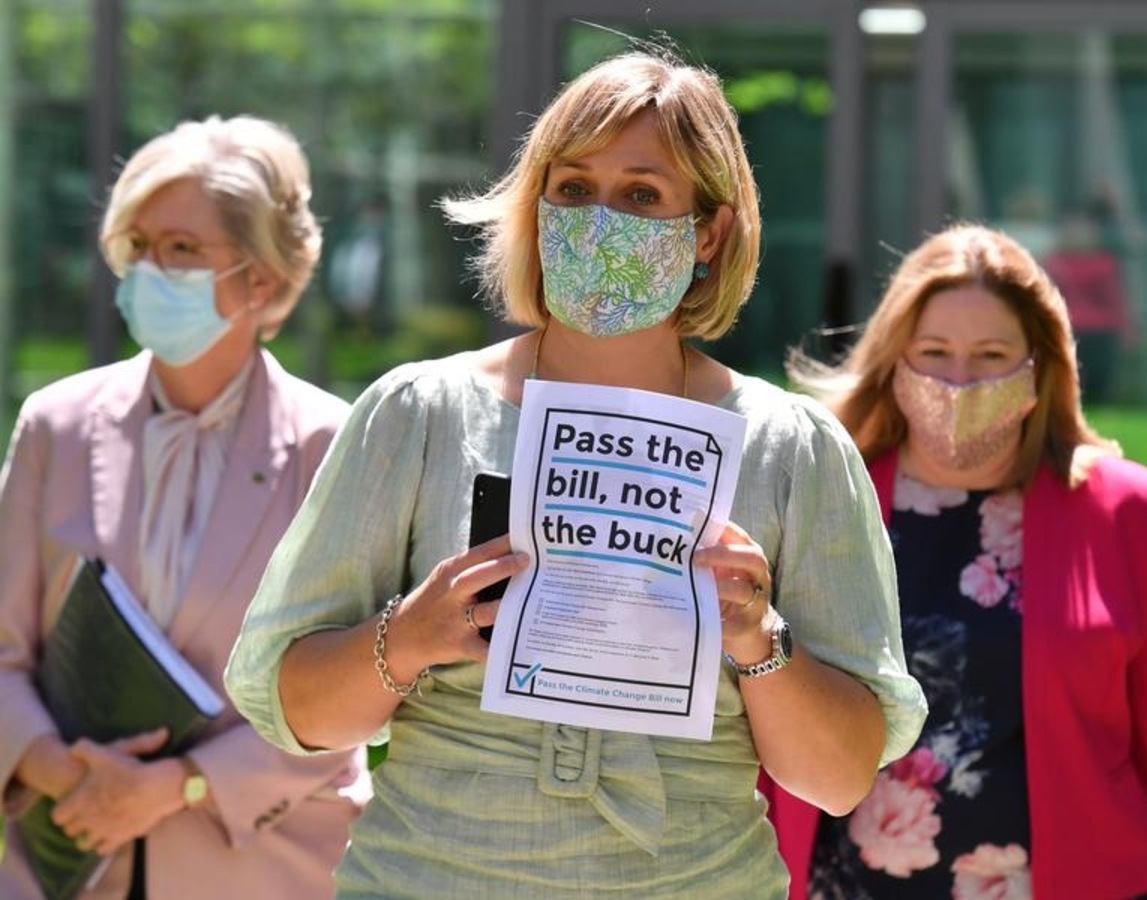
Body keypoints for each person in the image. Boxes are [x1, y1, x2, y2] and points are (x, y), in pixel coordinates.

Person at [223, 49, 926, 899]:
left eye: (642, 195)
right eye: (573, 188)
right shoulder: (420, 414)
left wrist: (758, 639)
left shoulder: (791, 449)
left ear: (709, 232)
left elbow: (840, 778)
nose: (599, 221)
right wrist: (407, 637)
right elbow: (295, 714)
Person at [0, 115, 369, 899]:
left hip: (259, 871)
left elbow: (347, 692)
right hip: (62, 859)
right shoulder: (54, 426)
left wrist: (178, 785)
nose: (148, 270)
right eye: (137, 245)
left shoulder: (331, 445)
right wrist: (62, 773)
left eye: (180, 248)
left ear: (260, 277)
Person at [777, 223, 1147, 899]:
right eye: (934, 352)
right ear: (895, 362)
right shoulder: (818, 493)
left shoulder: (1125, 509)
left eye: (991, 355)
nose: (958, 380)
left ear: (1039, 366)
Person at [1042, 208, 1135, 404]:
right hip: (1068, 328)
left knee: (1100, 380)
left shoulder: (1104, 264)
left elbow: (1116, 300)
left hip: (1102, 331)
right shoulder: (1055, 262)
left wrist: (1126, 330)